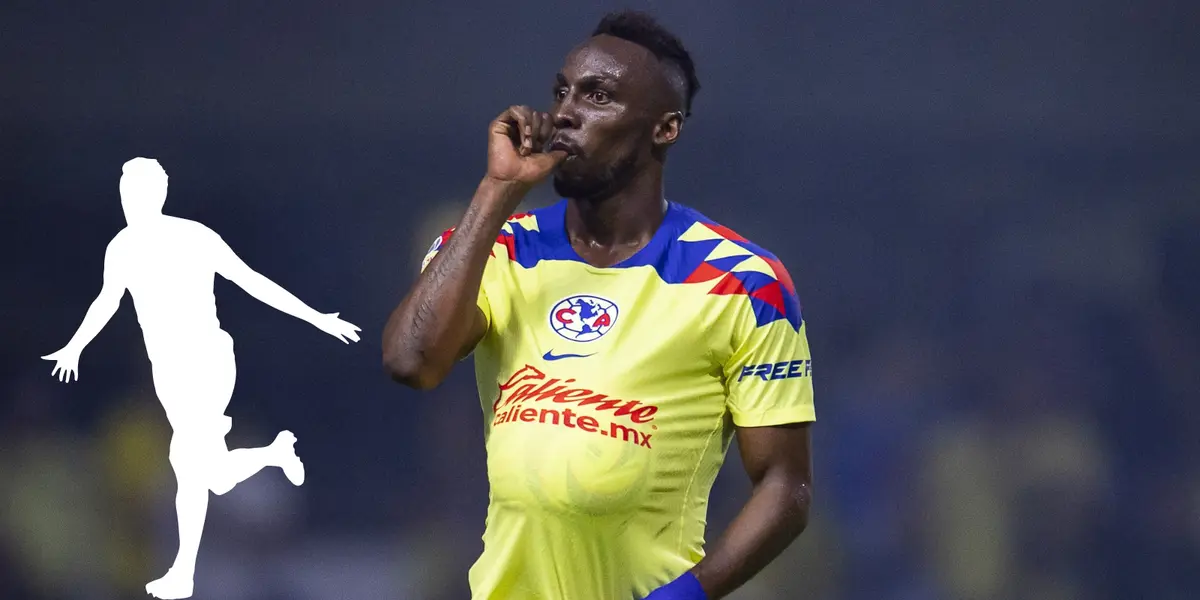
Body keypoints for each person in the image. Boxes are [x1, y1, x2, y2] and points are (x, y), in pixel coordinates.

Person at [383, 11, 814, 600]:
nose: (564, 111)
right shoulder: (499, 245)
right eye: (562, 91)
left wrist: (683, 597)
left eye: (598, 95)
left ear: (665, 129)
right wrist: (497, 192)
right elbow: (412, 362)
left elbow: (785, 486)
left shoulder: (742, 281)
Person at [41, 157, 361, 600]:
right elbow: (105, 302)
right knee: (207, 473)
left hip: (205, 358)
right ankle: (271, 456)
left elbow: (251, 281)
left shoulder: (194, 238)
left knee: (189, 464)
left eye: (142, 192)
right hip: (171, 370)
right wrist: (76, 344)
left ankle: (183, 571)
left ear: (160, 193)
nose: (132, 201)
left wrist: (315, 317)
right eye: (126, 193)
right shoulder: (122, 247)